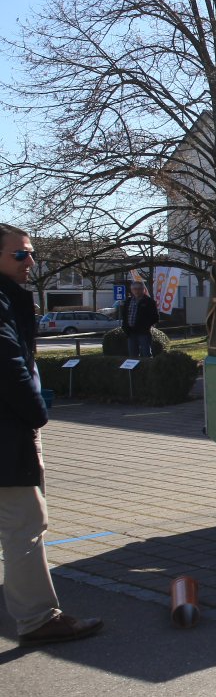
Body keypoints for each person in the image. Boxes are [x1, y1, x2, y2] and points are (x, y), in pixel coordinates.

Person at [0, 223, 103, 644]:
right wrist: (36, 411)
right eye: (20, 254)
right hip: (8, 434)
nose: (30, 261)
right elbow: (8, 363)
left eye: (31, 253)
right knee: (25, 523)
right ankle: (37, 619)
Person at [121, 279, 158, 357]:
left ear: (143, 290)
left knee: (146, 354)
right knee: (132, 355)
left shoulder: (149, 302)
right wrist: (125, 328)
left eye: (139, 289)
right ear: (131, 290)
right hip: (130, 332)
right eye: (135, 289)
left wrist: (145, 327)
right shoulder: (128, 301)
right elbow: (124, 316)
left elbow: (155, 317)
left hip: (143, 333)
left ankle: (146, 365)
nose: (137, 291)